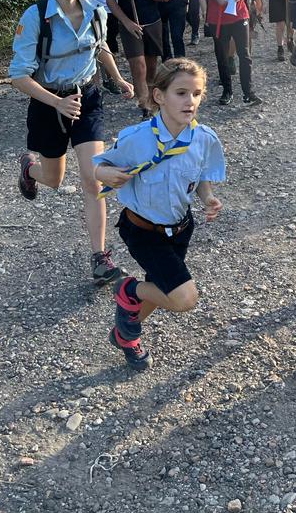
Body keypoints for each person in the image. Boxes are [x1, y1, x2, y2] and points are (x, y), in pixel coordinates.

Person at [10, 0, 135, 285]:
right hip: (48, 103)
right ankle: (29, 169)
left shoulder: (96, 9)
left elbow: (100, 46)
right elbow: (18, 76)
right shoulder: (34, 17)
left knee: (93, 178)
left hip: (87, 99)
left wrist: (118, 78)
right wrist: (56, 102)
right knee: (54, 179)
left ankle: (100, 257)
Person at [93, 59, 225, 370]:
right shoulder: (137, 138)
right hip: (143, 230)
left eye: (196, 94)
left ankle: (125, 335)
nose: (190, 101)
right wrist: (104, 173)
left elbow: (200, 176)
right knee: (183, 298)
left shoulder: (203, 138)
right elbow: (98, 167)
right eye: (181, 93)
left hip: (180, 229)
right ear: (159, 96)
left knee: (162, 287)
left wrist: (208, 197)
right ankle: (127, 289)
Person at [106, 0, 169, 117]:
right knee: (138, 65)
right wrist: (127, 22)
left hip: (152, 23)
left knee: (151, 67)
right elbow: (110, 0)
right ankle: (145, 106)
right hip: (129, 25)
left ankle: (150, 97)